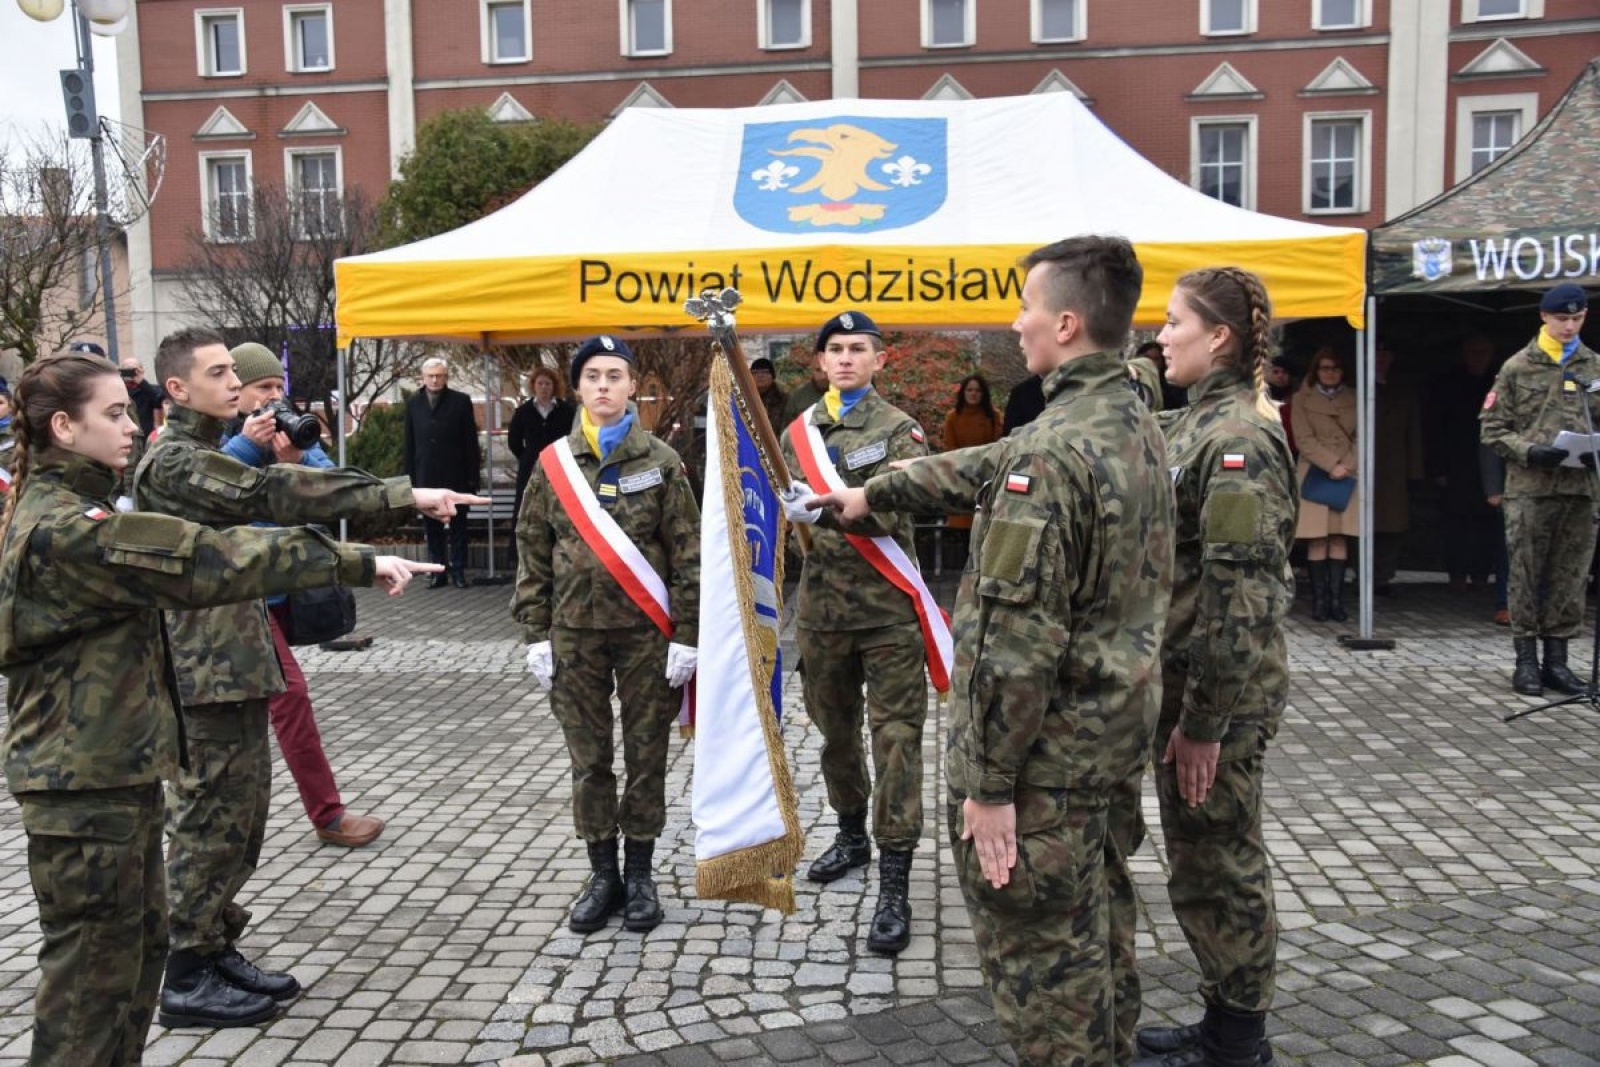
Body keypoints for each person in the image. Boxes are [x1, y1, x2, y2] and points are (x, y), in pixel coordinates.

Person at [0, 352, 435, 1066]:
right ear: (62, 427)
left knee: (130, 971)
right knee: (89, 992)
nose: (132, 426)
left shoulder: (83, 508)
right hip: (80, 793)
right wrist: (354, 561)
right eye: (113, 414)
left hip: (110, 776)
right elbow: (208, 556)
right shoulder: (66, 529)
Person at [808, 236, 1174, 1066]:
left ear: (1069, 323)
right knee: (1102, 938)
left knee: (1048, 974)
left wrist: (988, 788)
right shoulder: (1132, 418)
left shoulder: (1048, 457)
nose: (1016, 325)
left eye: (1028, 309)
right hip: (1111, 742)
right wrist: (868, 493)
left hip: (1044, 769)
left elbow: (1012, 649)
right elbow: (986, 459)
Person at [133, 327, 484, 1029]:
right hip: (203, 668)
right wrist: (401, 495)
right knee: (208, 818)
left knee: (242, 817)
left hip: (234, 656)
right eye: (219, 372)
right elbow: (274, 493)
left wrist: (373, 535)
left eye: (237, 370)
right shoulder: (173, 463)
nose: (235, 382)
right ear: (176, 389)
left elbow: (269, 518)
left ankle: (214, 942)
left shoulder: (200, 451)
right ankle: (186, 971)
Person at [1130, 268, 1296, 1067]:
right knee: (1197, 854)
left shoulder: (1237, 442)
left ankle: (1239, 1041)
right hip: (1185, 684)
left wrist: (1205, 724)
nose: (1161, 337)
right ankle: (1223, 1018)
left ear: (1219, 337)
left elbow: (1242, 599)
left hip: (1216, 697)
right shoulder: (1192, 421)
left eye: (1173, 323)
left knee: (1220, 859)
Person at [513, 335, 701, 935]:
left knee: (647, 755)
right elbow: (532, 549)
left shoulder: (663, 463)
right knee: (589, 759)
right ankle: (603, 874)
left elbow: (689, 554)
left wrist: (689, 634)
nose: (602, 386)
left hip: (647, 635)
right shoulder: (552, 465)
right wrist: (534, 631)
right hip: (573, 635)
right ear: (577, 387)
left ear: (632, 387)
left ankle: (641, 873)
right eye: (592, 375)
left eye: (614, 376)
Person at [778, 309, 934, 958]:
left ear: (880, 360)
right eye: (834, 349)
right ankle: (851, 835)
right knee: (836, 739)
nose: (845, 358)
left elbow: (901, 506)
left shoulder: (902, 431)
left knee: (896, 743)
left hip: (888, 613)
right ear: (820, 363)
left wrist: (829, 509)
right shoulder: (795, 433)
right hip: (822, 617)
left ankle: (894, 881)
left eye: (857, 348)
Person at [220, 342, 387, 849]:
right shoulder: (217, 440)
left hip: (285, 591)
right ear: (237, 393)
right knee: (289, 698)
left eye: (278, 388)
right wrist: (250, 445)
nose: (273, 399)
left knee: (266, 704)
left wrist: (296, 457)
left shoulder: (294, 428)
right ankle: (327, 814)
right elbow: (209, 488)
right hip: (238, 600)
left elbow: (333, 482)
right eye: (261, 389)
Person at [1480, 282, 1598, 697]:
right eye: (1562, 318)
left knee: (1571, 575)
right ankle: (1526, 661)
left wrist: (1592, 451)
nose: (1569, 326)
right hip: (1530, 488)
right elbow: (1491, 429)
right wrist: (1529, 451)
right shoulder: (1517, 367)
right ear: (1544, 317)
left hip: (1580, 489)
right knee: (1526, 574)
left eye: (1577, 318)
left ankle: (1559, 663)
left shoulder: (1593, 367)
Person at [1291, 347, 1359, 623]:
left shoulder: (1356, 397)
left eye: (1335, 368)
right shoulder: (1301, 399)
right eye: (1325, 368)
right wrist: (1332, 465)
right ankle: (1319, 601)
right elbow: (1303, 439)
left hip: (1348, 472)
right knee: (1318, 538)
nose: (1330, 373)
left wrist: (1348, 465)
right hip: (1315, 472)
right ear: (1315, 371)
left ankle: (1336, 600)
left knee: (1340, 537)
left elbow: (1363, 435)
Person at [403, 357, 482, 589]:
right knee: (432, 528)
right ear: (423, 377)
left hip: (456, 476)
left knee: (458, 527)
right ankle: (438, 571)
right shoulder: (413, 404)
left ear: (446, 377)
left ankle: (458, 571)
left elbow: (470, 442)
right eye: (430, 376)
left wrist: (473, 477)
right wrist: (408, 480)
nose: (435, 380)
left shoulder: (461, 401)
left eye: (439, 375)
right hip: (426, 476)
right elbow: (409, 444)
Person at [1432, 336, 1499, 594]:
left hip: (1490, 462)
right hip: (1456, 464)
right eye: (1473, 351)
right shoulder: (1448, 384)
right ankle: (1457, 574)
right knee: (1455, 524)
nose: (1478, 355)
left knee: (1487, 524)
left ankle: (1481, 574)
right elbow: (1435, 427)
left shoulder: (1498, 382)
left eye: (1483, 351)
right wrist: (1437, 467)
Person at [1371, 342, 1424, 595]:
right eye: (1377, 354)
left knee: (1393, 525)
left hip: (1394, 465)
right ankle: (1365, 575)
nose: (1381, 359)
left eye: (1385, 354)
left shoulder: (1403, 389)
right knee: (1362, 524)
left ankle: (1383, 576)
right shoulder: (1357, 385)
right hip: (1362, 463)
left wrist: (1415, 471)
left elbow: (1413, 431)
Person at [940, 373, 1003, 560]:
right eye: (969, 390)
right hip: (960, 476)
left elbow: (999, 445)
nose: (973, 394)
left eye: (977, 390)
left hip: (987, 477)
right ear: (963, 392)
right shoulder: (952, 417)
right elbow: (949, 448)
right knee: (963, 531)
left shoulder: (994, 416)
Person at [507, 366, 575, 522]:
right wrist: (527, 456)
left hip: (560, 466)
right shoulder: (523, 411)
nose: (544, 388)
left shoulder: (566, 411)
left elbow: (573, 437)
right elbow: (514, 441)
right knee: (526, 511)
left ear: (554, 387)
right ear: (533, 386)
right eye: (540, 383)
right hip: (530, 468)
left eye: (548, 384)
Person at [781, 346, 829, 427]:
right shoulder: (798, 398)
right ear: (811, 369)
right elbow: (788, 433)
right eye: (818, 370)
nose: (823, 376)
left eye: (826, 370)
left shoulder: (847, 395)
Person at [120, 357, 166, 437]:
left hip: (145, 434)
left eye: (133, 370)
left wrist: (142, 382)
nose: (130, 373)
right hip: (125, 433)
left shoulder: (149, 389)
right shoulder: (119, 390)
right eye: (126, 370)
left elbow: (159, 400)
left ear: (142, 371)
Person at [1262, 356, 1297, 456]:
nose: (1280, 376)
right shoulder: (1258, 398)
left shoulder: (1297, 400)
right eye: (1276, 372)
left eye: (1285, 372)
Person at [749, 357, 788, 429]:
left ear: (773, 376)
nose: (760, 376)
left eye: (765, 372)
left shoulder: (784, 400)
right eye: (755, 373)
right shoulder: (744, 399)